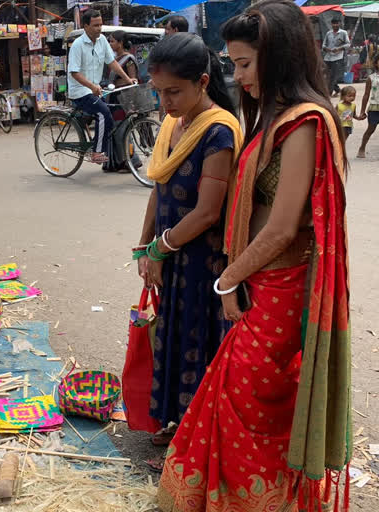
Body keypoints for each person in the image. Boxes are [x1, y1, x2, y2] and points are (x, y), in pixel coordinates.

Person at [158, 2, 351, 511]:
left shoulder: (303, 125)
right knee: (235, 401)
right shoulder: (272, 121)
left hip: (281, 290)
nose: (237, 75)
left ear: (280, 57)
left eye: (244, 64)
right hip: (258, 284)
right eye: (234, 63)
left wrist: (227, 280)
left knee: (254, 406)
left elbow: (283, 227)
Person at [134, 33, 242, 471]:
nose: (164, 102)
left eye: (173, 92)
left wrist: (159, 249)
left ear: (202, 82)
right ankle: (176, 420)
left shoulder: (218, 131)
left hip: (202, 262)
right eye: (158, 92)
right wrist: (143, 247)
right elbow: (158, 192)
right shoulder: (170, 125)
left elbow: (207, 212)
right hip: (171, 256)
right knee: (171, 337)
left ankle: (196, 439)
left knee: (198, 343)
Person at [67, 9, 134, 164]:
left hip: (95, 89)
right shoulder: (78, 45)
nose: (99, 28)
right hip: (80, 91)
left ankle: (109, 152)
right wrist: (91, 86)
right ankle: (97, 152)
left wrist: (128, 78)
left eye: (101, 25)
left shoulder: (103, 40)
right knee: (103, 114)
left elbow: (112, 62)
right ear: (85, 26)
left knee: (111, 112)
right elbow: (75, 73)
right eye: (95, 25)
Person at [357, 53, 379, 158]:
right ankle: (362, 147)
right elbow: (366, 95)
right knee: (371, 129)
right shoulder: (371, 78)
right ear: (376, 63)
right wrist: (362, 111)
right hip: (374, 108)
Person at [322, 17, 350, 97]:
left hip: (338, 57)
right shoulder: (328, 33)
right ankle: (337, 89)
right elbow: (323, 45)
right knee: (326, 75)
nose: (335, 25)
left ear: (339, 24)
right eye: (333, 23)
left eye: (336, 23)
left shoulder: (343, 33)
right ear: (331, 24)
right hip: (328, 57)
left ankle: (328, 93)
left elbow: (348, 44)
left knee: (333, 75)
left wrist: (339, 49)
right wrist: (326, 49)